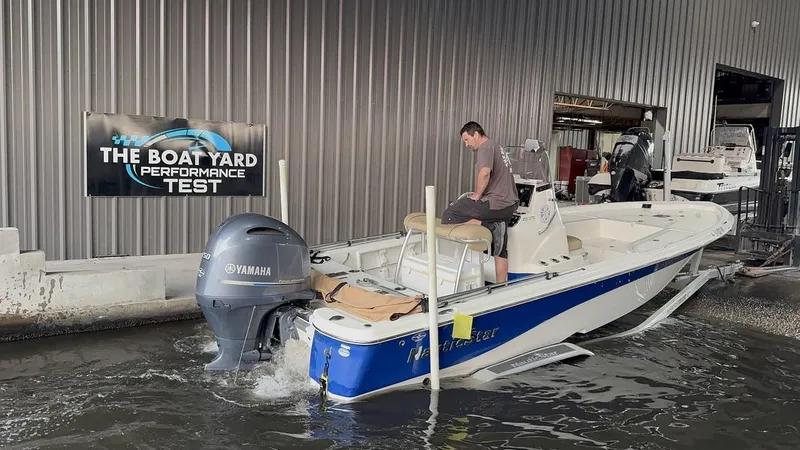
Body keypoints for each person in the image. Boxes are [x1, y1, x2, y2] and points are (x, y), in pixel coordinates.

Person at [441, 121, 519, 282]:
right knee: (501, 250)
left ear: (475, 134)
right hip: (509, 206)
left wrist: (477, 195)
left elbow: (485, 173)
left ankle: (488, 226)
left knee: (449, 215)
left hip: (496, 203)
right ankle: (501, 285)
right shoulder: (497, 147)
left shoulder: (485, 147)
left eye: (466, 139)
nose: (466, 144)